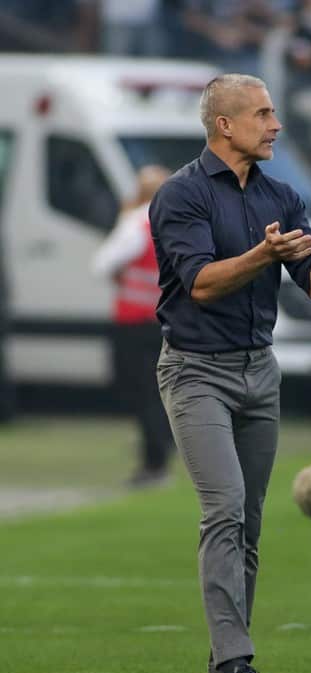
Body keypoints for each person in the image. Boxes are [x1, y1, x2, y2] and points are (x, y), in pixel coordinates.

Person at [150, 73, 311, 673]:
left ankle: (222, 666)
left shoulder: (282, 194)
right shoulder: (180, 195)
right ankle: (236, 667)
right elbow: (200, 283)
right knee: (224, 509)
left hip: (260, 371)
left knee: (248, 523)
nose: (276, 124)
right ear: (224, 125)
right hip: (196, 371)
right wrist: (263, 254)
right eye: (262, 114)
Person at [92, 165, 174, 489]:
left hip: (135, 322)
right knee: (162, 390)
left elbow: (101, 263)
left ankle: (154, 462)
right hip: (166, 321)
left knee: (142, 393)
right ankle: (162, 448)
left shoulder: (137, 221)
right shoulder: (178, 222)